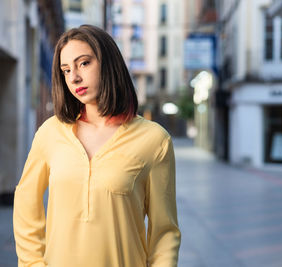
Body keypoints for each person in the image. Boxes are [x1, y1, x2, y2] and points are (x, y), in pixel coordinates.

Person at [13, 24, 181, 267]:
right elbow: (26, 201)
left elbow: (164, 232)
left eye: (84, 63)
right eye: (66, 69)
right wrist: (32, 264)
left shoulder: (154, 140)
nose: (74, 77)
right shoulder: (50, 133)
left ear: (108, 63)